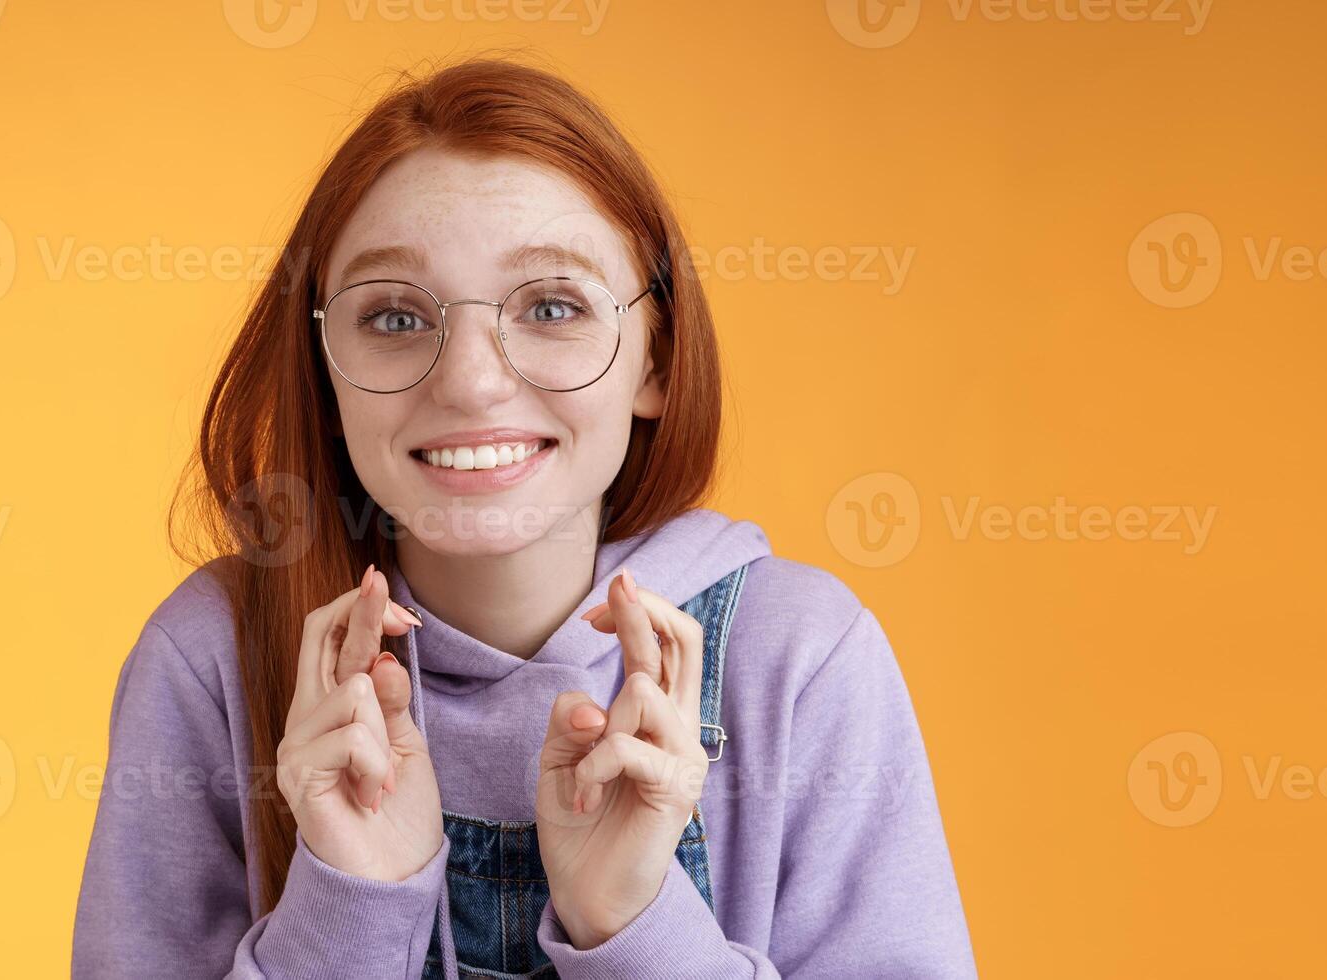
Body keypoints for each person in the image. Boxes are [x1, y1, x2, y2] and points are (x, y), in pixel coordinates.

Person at [73, 57, 975, 978]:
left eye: (552, 305)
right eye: (392, 316)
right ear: (324, 366)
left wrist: (636, 923)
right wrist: (345, 909)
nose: (469, 380)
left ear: (655, 362)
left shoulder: (799, 660)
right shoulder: (210, 658)